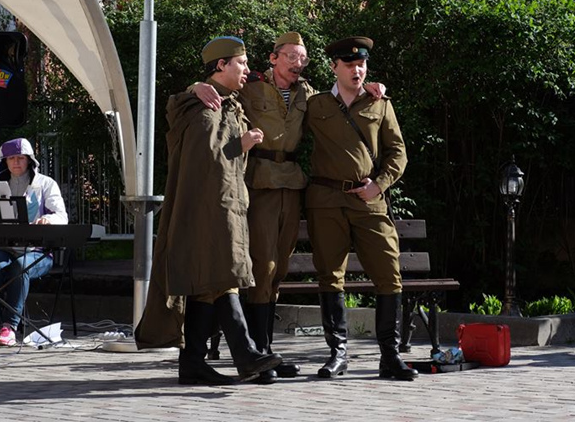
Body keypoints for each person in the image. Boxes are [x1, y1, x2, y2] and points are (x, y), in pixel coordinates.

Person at [192, 32, 385, 384]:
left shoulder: (307, 95)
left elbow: (340, 101)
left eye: (304, 59)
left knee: (277, 268)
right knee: (261, 267)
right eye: (293, 57)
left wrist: (372, 87)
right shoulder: (249, 87)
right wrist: (195, 86)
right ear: (273, 58)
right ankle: (256, 354)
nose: (299, 64)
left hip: (292, 183)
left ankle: (263, 354)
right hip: (260, 181)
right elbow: (216, 87)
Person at [134, 36, 281, 386]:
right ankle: (246, 354)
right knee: (224, 277)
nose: (246, 69)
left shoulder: (228, 104)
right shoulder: (202, 107)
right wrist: (241, 144)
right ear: (221, 66)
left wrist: (240, 146)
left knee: (208, 284)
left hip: (227, 206)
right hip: (207, 210)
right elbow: (204, 160)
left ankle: (193, 363)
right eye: (241, 63)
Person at [305, 36, 418, 380]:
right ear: (334, 67)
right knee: (330, 275)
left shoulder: (380, 103)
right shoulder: (315, 104)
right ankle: (337, 354)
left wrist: (379, 185)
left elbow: (398, 153)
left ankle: (390, 355)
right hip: (325, 201)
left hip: (368, 200)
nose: (358, 70)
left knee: (388, 273)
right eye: (350, 64)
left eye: (362, 64)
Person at [0, 138, 68, 347]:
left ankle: (9, 326)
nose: (16, 162)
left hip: (38, 251)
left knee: (20, 268)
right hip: (5, 248)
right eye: (11, 158)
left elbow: (61, 215)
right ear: (4, 161)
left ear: (29, 160)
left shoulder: (45, 184)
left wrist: (48, 219)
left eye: (20, 158)